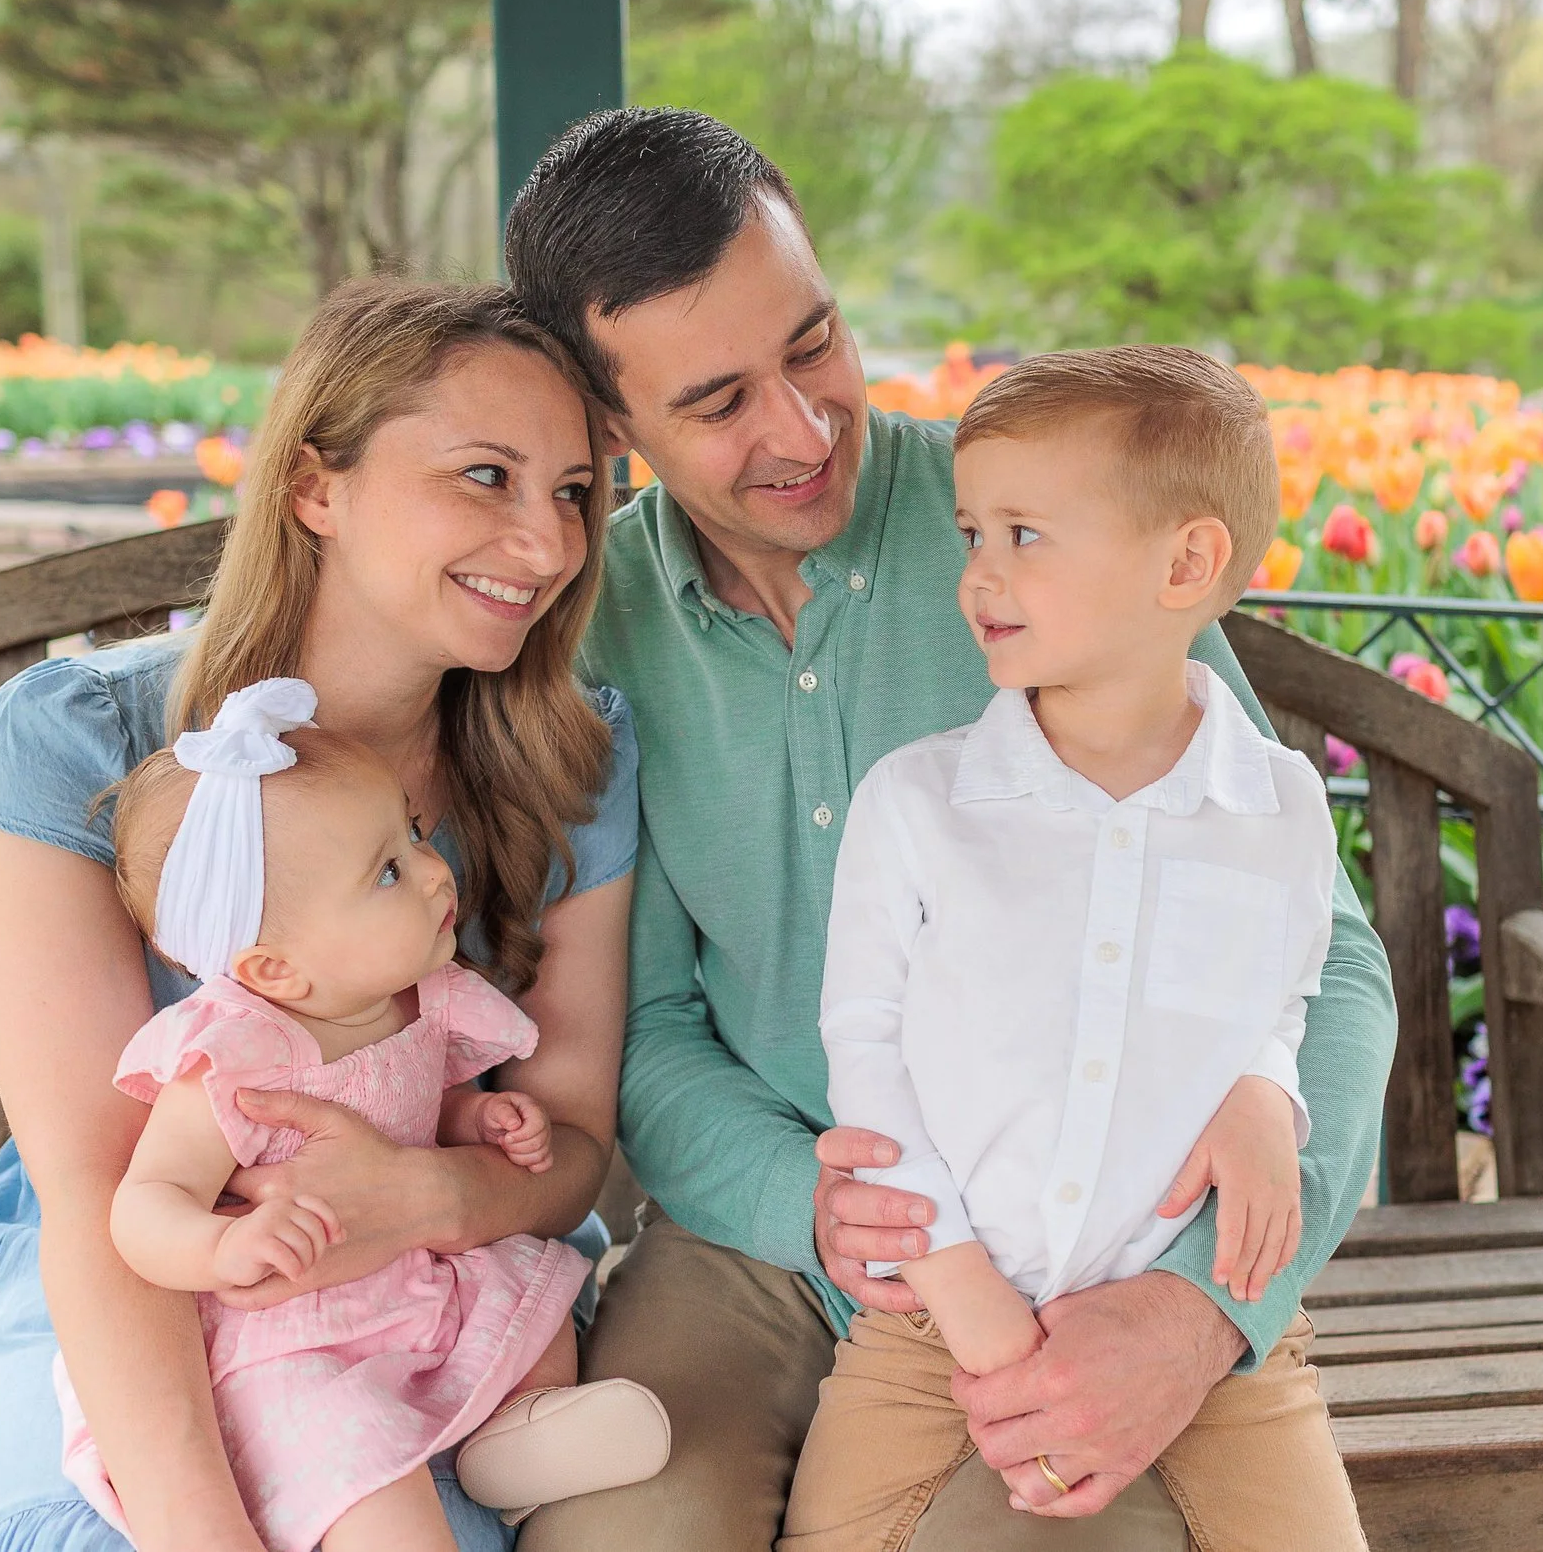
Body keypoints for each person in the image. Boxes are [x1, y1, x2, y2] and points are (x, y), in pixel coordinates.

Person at [509, 106, 1396, 1551]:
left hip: (1077, 1238)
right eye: (719, 400)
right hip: (763, 1234)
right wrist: (820, 1205)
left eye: (814, 344)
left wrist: (1196, 1306)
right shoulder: (593, 631)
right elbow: (648, 1022)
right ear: (613, 430)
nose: (799, 428)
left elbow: (1325, 959)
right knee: (621, 1531)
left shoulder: (1046, 530)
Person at [0, 279, 640, 1552]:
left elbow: (576, 1142)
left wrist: (422, 1197)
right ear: (316, 487)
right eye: (485, 475)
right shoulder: (76, 739)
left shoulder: (569, 756)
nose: (548, 546)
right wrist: (198, 1530)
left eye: (573, 492)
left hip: (435, 1291)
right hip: (132, 1282)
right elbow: (103, 1191)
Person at [784, 346, 1364, 1551]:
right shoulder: (918, 802)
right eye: (971, 532)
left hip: (1222, 1339)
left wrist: (1268, 1084)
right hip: (931, 1326)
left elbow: (1289, 983)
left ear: (1187, 562)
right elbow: (867, 1046)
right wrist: (967, 1295)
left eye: (1025, 534)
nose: (978, 575)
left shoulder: (1281, 805)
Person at [56, 680, 669, 1552]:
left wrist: (481, 1119)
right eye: (388, 869)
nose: (432, 870)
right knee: (363, 1472)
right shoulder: (235, 1056)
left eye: (413, 835)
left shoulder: (422, 999)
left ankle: (521, 1431)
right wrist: (220, 1246)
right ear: (274, 971)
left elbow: (428, 1102)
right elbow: (142, 1200)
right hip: (295, 1336)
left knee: (533, 1295)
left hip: (406, 1276)